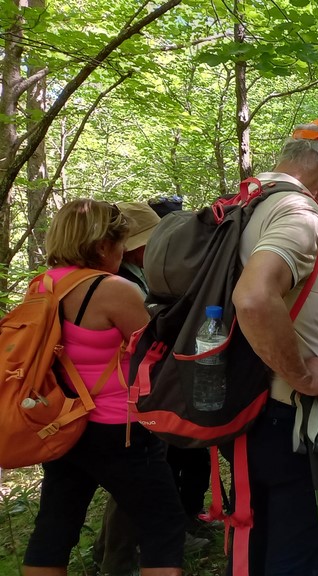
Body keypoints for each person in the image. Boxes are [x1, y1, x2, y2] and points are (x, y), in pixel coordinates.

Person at [229, 117, 318, 575]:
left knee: (259, 546)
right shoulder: (298, 211)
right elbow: (254, 298)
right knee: (298, 558)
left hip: (260, 414)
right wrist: (304, 374)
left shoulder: (251, 201)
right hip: (299, 426)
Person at [23, 199, 186, 576]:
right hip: (118, 429)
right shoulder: (112, 289)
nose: (123, 252)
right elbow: (154, 351)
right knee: (163, 526)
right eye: (121, 244)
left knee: (54, 528)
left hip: (63, 422)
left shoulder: (43, 284)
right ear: (102, 246)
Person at [93, 203, 210, 576]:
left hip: (132, 394)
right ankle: (117, 561)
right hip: (130, 397)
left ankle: (107, 553)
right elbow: (144, 338)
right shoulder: (120, 284)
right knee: (140, 482)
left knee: (134, 481)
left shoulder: (131, 276)